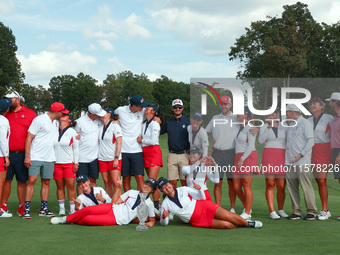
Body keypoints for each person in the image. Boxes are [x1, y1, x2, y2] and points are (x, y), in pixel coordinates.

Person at [158, 177, 262, 229]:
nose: (167, 188)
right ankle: (240, 223)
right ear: (162, 191)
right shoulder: (166, 204)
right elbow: (164, 223)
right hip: (197, 220)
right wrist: (163, 217)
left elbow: (201, 197)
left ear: (171, 184)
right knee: (227, 225)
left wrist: (199, 190)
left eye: (167, 185)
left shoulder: (183, 189)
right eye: (164, 188)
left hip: (204, 206)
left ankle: (249, 223)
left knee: (227, 215)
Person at [23, 102, 68, 219]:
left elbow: (70, 124)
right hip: (36, 156)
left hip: (50, 157)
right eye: (62, 112)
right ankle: (26, 209)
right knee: (31, 180)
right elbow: (29, 138)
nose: (63, 114)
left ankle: (43, 209)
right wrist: (27, 156)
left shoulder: (57, 121)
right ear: (57, 112)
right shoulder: (39, 120)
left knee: (46, 182)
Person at [51, 177, 156, 227]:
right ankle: (64, 219)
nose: (146, 186)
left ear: (153, 190)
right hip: (111, 207)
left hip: (116, 219)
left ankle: (73, 220)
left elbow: (152, 219)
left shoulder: (150, 204)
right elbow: (115, 202)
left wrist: (150, 223)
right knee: (88, 210)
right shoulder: (132, 192)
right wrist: (118, 189)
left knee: (89, 220)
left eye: (150, 186)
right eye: (146, 184)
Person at [0, 91, 36, 216]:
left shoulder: (30, 113)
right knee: (6, 181)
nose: (8, 102)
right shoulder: (4, 114)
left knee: (22, 181)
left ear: (17, 99)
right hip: (6, 154)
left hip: (23, 154)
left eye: (10, 99)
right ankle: (3, 205)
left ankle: (22, 206)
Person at [205, 96, 238, 211]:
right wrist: (205, 149)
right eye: (222, 104)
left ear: (230, 105)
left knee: (231, 183)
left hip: (231, 154)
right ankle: (217, 207)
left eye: (226, 104)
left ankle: (232, 208)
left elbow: (248, 126)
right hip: (217, 154)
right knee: (217, 182)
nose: (223, 106)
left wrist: (255, 128)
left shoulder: (236, 118)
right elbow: (205, 132)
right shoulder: (215, 118)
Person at [285, 104, 317, 220]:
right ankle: (296, 212)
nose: (286, 114)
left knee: (306, 186)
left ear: (293, 112)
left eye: (287, 112)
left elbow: (311, 141)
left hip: (302, 161)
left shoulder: (306, 123)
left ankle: (312, 211)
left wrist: (301, 154)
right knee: (292, 187)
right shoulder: (291, 125)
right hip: (289, 161)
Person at [258, 110, 289, 220]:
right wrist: (269, 127)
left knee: (281, 186)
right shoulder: (264, 126)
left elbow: (288, 140)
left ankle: (280, 209)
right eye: (268, 115)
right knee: (270, 184)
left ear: (276, 115)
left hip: (281, 155)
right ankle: (272, 211)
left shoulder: (284, 126)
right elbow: (261, 141)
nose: (270, 116)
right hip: (269, 154)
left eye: (272, 114)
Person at [114, 95, 148, 192]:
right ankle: (128, 202)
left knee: (139, 178)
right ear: (133, 106)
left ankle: (141, 202)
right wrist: (114, 121)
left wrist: (156, 119)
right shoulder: (120, 110)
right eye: (140, 106)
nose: (142, 107)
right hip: (123, 151)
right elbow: (109, 115)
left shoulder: (142, 111)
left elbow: (152, 113)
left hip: (137, 150)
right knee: (126, 179)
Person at [308, 97, 333, 220]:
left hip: (324, 150)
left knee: (322, 181)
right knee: (318, 181)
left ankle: (324, 210)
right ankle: (326, 209)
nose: (312, 106)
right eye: (311, 104)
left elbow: (335, 133)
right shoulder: (308, 119)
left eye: (315, 104)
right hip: (312, 151)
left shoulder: (329, 118)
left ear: (322, 106)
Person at [233, 106, 259, 220]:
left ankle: (247, 212)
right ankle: (247, 206)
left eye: (239, 113)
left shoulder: (251, 127)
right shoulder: (239, 126)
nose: (236, 114)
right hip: (238, 157)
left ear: (246, 114)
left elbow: (251, 146)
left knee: (246, 185)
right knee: (236, 186)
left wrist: (242, 159)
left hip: (248, 157)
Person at [137, 103, 163, 213]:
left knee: (151, 182)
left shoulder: (155, 124)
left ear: (153, 112)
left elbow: (152, 141)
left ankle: (156, 206)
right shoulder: (144, 122)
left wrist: (141, 140)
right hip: (146, 152)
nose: (146, 109)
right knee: (153, 181)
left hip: (153, 151)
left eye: (149, 108)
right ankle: (157, 206)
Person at [74, 103, 105, 193]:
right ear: (92, 114)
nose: (100, 115)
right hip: (81, 158)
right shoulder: (79, 122)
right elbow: (74, 137)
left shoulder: (99, 121)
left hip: (94, 157)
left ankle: (92, 203)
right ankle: (80, 204)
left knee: (93, 181)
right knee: (81, 182)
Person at [161, 99, 190, 188]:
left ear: (182, 108)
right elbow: (159, 131)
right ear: (172, 108)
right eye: (175, 107)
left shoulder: (188, 121)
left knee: (184, 181)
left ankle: (185, 201)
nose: (177, 109)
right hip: (172, 154)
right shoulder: (168, 122)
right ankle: (174, 201)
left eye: (179, 107)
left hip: (184, 155)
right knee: (172, 182)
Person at [54, 113, 79, 215]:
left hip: (69, 163)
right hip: (56, 163)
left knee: (70, 186)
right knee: (59, 187)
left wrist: (76, 163)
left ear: (69, 121)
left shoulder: (72, 132)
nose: (62, 117)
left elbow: (76, 149)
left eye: (65, 116)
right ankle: (62, 209)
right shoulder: (54, 130)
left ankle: (72, 209)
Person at [98, 108, 122, 197]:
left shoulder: (115, 126)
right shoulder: (100, 126)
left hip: (113, 158)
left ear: (108, 114)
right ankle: (110, 204)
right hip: (102, 158)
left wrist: (116, 158)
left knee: (116, 183)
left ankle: (119, 204)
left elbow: (119, 142)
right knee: (106, 183)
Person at [325, 92, 340, 221]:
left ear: (335, 102)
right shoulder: (335, 118)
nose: (329, 103)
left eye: (330, 101)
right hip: (334, 150)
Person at [0, 98, 12, 217]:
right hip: (0, 155)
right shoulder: (3, 120)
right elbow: (3, 140)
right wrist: (6, 157)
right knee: (0, 183)